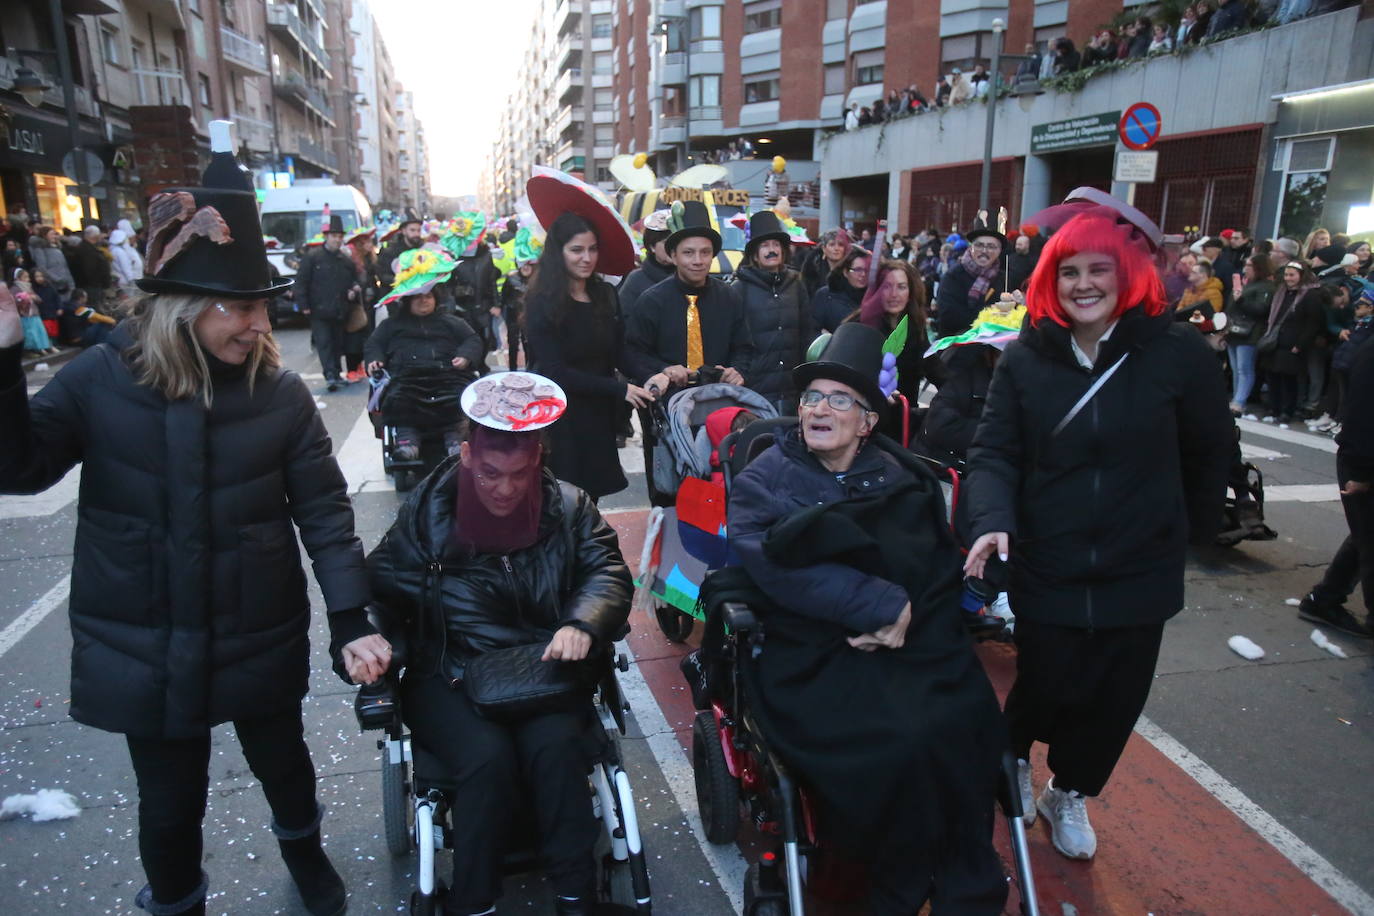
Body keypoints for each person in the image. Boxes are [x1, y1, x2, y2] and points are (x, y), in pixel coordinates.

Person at [0, 149, 390, 916]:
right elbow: (20, 469)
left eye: (260, 304)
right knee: (168, 803)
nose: (257, 322)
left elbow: (323, 510)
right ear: (182, 304)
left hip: (256, 626)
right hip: (142, 638)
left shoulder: (276, 394)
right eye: (238, 308)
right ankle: (176, 901)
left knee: (285, 765)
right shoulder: (100, 379)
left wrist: (351, 619)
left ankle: (306, 856)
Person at [965, 200, 1231, 863]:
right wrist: (995, 519)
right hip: (1049, 557)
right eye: (1069, 271)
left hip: (1141, 564)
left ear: (1129, 273)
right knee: (1047, 680)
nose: (1084, 284)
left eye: (1098, 269)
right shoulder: (1025, 360)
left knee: (1115, 698)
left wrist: (1188, 534)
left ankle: (1072, 790)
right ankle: (1014, 759)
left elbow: (1211, 450)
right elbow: (994, 452)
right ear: (1049, 282)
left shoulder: (1179, 353)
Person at [728, 322, 1009, 914]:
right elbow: (772, 567)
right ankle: (889, 879)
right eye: (811, 398)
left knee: (964, 721)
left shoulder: (903, 475)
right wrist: (879, 605)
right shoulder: (765, 478)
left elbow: (933, 564)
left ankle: (958, 870)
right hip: (815, 647)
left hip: (912, 638)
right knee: (893, 741)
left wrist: (909, 613)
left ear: (868, 420)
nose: (818, 410)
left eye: (838, 399)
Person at [363, 385, 632, 916]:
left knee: (557, 749)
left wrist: (583, 622)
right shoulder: (425, 519)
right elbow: (376, 591)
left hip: (544, 666)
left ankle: (577, 897)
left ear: (539, 461)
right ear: (466, 456)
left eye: (520, 475)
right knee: (485, 758)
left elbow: (606, 572)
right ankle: (474, 901)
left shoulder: (572, 507)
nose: (505, 489)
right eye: (490, 474)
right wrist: (364, 636)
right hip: (451, 670)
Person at [525, 210, 655, 500]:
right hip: (559, 418)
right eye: (576, 250)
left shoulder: (606, 294)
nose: (586, 258)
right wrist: (618, 388)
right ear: (558, 253)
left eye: (592, 249)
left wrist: (651, 374)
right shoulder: (541, 301)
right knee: (562, 502)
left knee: (590, 503)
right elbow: (554, 370)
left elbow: (620, 351)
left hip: (599, 415)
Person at [365, 250, 484, 459]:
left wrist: (466, 356)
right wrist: (375, 359)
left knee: (459, 398)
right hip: (407, 378)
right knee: (398, 400)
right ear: (408, 301)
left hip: (448, 375)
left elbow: (472, 339)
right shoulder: (391, 326)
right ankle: (407, 442)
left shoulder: (452, 322)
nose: (424, 301)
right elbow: (374, 343)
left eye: (428, 296)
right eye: (418, 298)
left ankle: (455, 440)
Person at [624, 199, 752, 393]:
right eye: (688, 253)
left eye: (705, 252)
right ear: (674, 256)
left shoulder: (729, 297)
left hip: (720, 398)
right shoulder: (652, 300)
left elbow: (744, 348)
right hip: (668, 403)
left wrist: (736, 371)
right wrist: (663, 369)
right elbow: (633, 353)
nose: (698, 261)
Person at [1297, 331, 1374, 637]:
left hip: (1363, 459)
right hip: (1363, 461)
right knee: (1369, 536)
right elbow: (1363, 414)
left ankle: (1324, 599)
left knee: (1364, 535)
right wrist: (1363, 472)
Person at [729, 210, 813, 410]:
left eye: (776, 244)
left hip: (793, 387)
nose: (771, 250)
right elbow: (735, 341)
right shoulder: (739, 288)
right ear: (755, 255)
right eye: (765, 245)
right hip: (755, 389)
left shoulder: (796, 283)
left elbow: (807, 331)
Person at [850, 258, 932, 414]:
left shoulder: (914, 326)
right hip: (864, 416)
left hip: (904, 418)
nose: (894, 294)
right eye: (886, 287)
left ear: (910, 292)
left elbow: (933, 366)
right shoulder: (860, 324)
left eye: (901, 287)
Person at [294, 215, 363, 391]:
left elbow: (355, 280)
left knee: (338, 344)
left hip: (340, 309)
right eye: (334, 236)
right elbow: (301, 281)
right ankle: (330, 375)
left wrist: (353, 289)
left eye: (340, 236)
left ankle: (337, 373)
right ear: (326, 236)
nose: (337, 240)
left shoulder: (345, 260)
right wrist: (304, 305)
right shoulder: (313, 257)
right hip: (319, 309)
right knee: (324, 343)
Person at [1259, 261, 1323, 426]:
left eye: (1292, 275)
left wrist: (1300, 344)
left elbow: (1313, 323)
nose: (1288, 278)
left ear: (1301, 276)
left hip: (1293, 343)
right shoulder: (1281, 292)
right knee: (1272, 376)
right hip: (1276, 341)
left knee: (1288, 380)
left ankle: (1287, 411)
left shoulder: (1310, 295)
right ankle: (1273, 408)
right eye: (1286, 275)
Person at [1226, 254, 1276, 417]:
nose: (1246, 268)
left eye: (1250, 265)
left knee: (1244, 368)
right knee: (1236, 368)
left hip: (1250, 332)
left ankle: (1239, 401)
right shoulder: (1248, 284)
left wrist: (1241, 300)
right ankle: (1236, 398)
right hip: (1234, 330)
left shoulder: (1266, 287)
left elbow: (1261, 309)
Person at [935, 228, 1005, 337]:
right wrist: (989, 316)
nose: (984, 251)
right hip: (957, 342)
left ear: (999, 251)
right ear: (970, 247)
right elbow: (948, 316)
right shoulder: (953, 276)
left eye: (991, 247)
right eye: (979, 245)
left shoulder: (1004, 278)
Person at [617, 208, 675, 316]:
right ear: (652, 246)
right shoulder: (635, 280)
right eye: (667, 243)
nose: (673, 248)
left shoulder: (689, 276)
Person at [343, 226, 381, 383]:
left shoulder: (370, 258)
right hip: (355, 304)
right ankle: (352, 368)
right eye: (366, 241)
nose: (370, 244)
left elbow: (373, 279)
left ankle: (361, 366)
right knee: (354, 336)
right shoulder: (352, 260)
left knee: (368, 335)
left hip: (369, 302)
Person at [811, 246, 870, 333]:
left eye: (867, 270)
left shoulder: (873, 298)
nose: (863, 274)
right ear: (845, 272)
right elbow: (812, 329)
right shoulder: (825, 295)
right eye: (857, 270)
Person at [501, 257, 536, 370]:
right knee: (513, 343)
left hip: (530, 317)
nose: (525, 267)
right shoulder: (511, 278)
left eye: (528, 264)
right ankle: (512, 370)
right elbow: (504, 296)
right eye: (522, 264)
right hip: (513, 316)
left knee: (529, 344)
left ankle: (529, 369)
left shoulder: (537, 279)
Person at [801, 227, 851, 297]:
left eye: (840, 245)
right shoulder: (813, 268)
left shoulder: (851, 268)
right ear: (824, 248)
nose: (836, 248)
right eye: (832, 244)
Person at [377, 215, 424, 288]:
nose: (416, 234)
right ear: (404, 231)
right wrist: (402, 279)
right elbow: (382, 275)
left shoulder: (423, 248)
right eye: (412, 230)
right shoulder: (389, 250)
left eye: (419, 230)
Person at [28, 225, 74, 297]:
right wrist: (56, 279)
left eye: (55, 234)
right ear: (45, 235)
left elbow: (65, 267)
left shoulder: (57, 248)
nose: (54, 236)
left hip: (65, 285)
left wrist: (71, 284)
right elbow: (42, 268)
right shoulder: (40, 249)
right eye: (52, 234)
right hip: (53, 285)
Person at [72, 224, 112, 307]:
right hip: (92, 287)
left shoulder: (90, 248)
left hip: (95, 286)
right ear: (95, 236)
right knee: (96, 307)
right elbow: (89, 270)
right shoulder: (86, 250)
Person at [109, 226, 145, 291]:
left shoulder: (113, 250)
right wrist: (131, 280)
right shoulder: (120, 252)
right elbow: (125, 267)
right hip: (125, 281)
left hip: (120, 280)